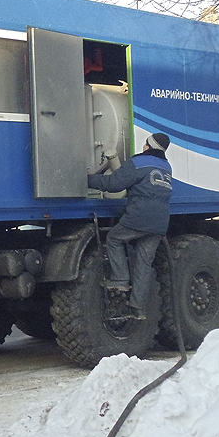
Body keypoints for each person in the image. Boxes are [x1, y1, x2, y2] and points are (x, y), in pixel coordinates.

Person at [86, 133, 173, 320]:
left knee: (114, 238)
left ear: (148, 146)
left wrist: (88, 179)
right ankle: (137, 308)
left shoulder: (139, 163)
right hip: (159, 222)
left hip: (139, 218)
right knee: (144, 262)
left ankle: (120, 279)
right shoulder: (166, 167)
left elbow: (115, 184)